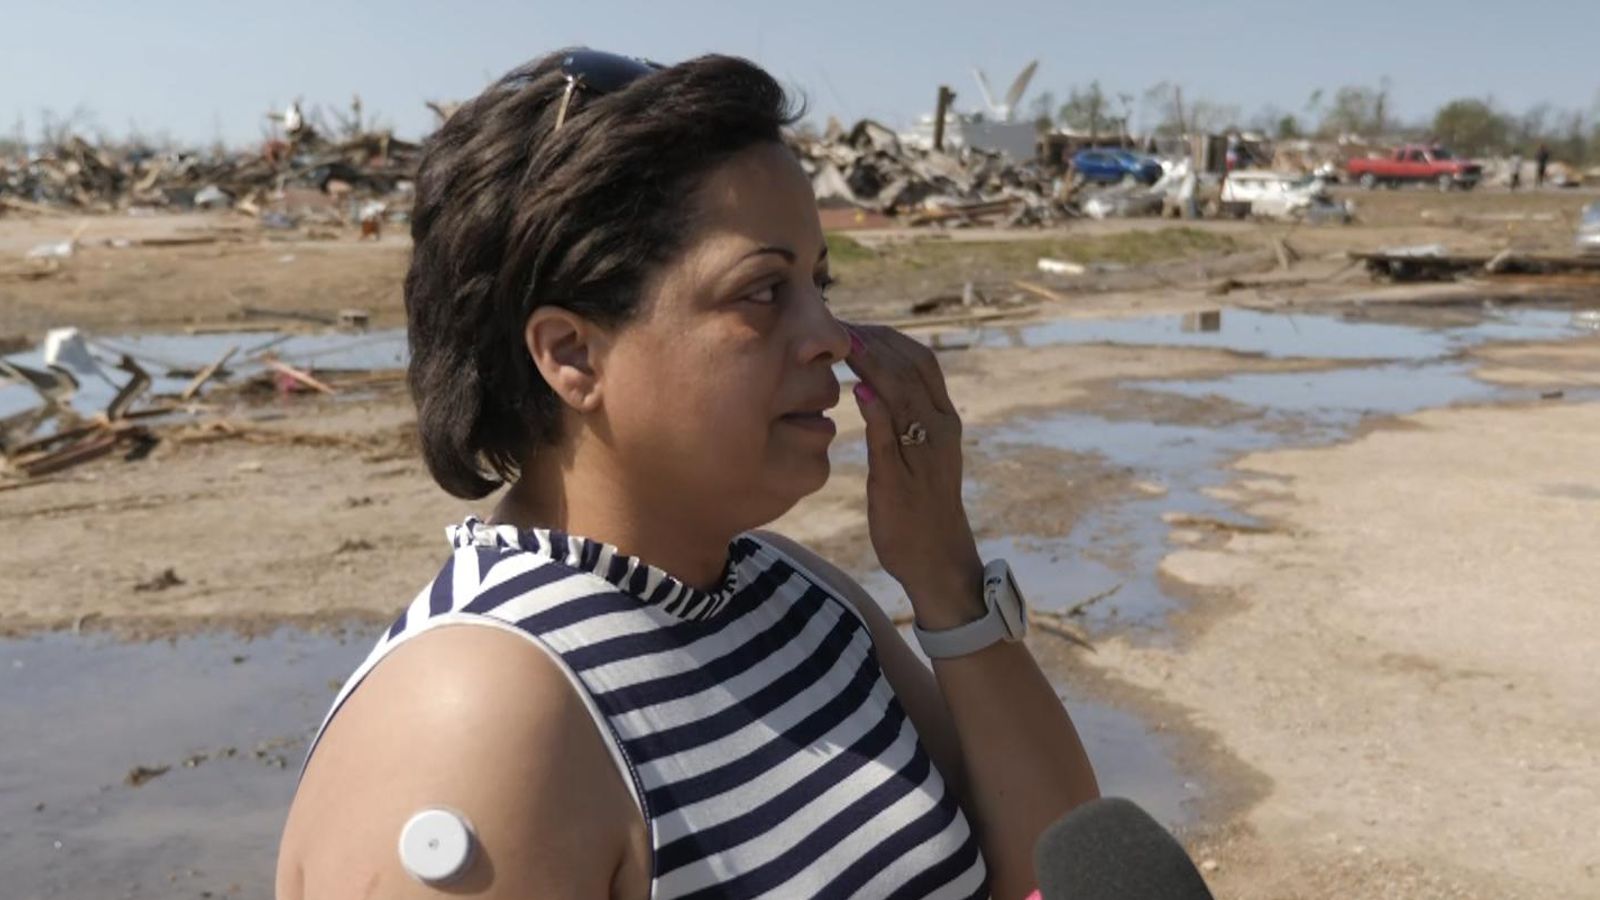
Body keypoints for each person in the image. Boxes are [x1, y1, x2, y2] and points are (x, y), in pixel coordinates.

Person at [276, 49, 1099, 900]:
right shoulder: (479, 718)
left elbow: (1057, 866)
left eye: (820, 281)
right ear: (572, 355)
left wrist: (944, 575)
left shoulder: (797, 596)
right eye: (763, 291)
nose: (830, 333)